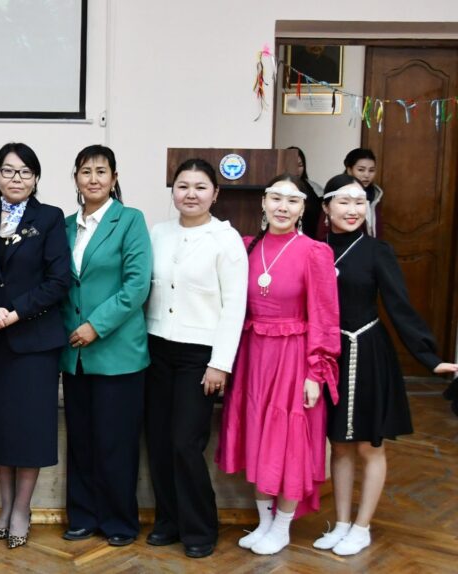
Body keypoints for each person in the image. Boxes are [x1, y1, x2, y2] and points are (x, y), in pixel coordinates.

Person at [313, 174, 458, 556]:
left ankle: (362, 527)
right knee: (338, 446)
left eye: (360, 203)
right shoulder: (314, 249)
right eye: (344, 202)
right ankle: (341, 523)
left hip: (368, 353)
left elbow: (399, 306)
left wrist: (429, 357)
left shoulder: (378, 251)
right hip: (328, 355)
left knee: (368, 446)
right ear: (326, 207)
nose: (353, 210)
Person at [216, 174, 341, 556]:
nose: (282, 207)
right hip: (253, 356)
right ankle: (264, 522)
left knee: (288, 442)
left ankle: (282, 527)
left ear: (303, 208)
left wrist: (316, 372)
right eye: (276, 198)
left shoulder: (314, 252)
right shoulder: (246, 246)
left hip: (294, 358)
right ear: (263, 202)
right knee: (257, 437)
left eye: (292, 200)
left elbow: (324, 316)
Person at [144, 158, 248, 559]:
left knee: (185, 442)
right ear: (173, 191)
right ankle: (168, 521)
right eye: (183, 186)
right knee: (157, 440)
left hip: (199, 356)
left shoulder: (226, 239)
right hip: (156, 349)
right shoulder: (159, 233)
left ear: (215, 194)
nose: (191, 194)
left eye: (200, 187)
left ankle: (200, 527)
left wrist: (220, 363)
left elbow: (235, 306)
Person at [0, 143, 70, 549]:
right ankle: (5, 505)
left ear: (36, 178)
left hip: (34, 343)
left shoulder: (49, 218)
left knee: (29, 431)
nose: (16, 178)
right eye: (8, 171)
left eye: (25, 172)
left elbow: (58, 281)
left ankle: (22, 510)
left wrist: (14, 313)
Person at [60, 145, 152, 547]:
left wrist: (95, 327)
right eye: (86, 171)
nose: (93, 178)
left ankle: (119, 521)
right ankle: (82, 516)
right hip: (74, 355)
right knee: (81, 442)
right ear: (76, 179)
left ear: (114, 178)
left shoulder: (130, 220)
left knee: (116, 444)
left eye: (101, 171)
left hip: (117, 353)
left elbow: (137, 285)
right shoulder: (65, 226)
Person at [286, 146, 323, 238]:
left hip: (310, 237)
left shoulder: (315, 188)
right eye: (292, 164)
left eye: (300, 165)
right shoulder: (276, 187)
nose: (296, 169)